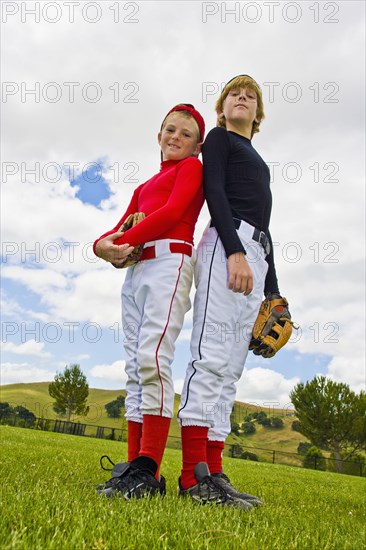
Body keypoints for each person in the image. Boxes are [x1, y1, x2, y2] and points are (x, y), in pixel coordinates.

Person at [177, 75, 280, 508]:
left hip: (255, 252)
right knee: (212, 356)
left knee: (230, 369)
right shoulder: (219, 139)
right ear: (222, 109)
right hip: (226, 243)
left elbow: (268, 230)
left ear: (258, 114)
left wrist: (275, 292)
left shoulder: (259, 159)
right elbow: (214, 192)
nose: (242, 97)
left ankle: (215, 473)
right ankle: (191, 478)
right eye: (234, 94)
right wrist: (234, 250)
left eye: (250, 95)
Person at [94, 103, 205, 499]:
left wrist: (120, 242)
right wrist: (100, 246)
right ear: (158, 136)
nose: (175, 136)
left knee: (152, 358)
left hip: (170, 261)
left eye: (186, 134)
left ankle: (149, 467)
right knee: (133, 366)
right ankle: (134, 471)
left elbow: (174, 210)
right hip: (137, 267)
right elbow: (118, 226)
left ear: (197, 145)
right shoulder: (142, 187)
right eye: (169, 130)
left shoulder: (191, 169)